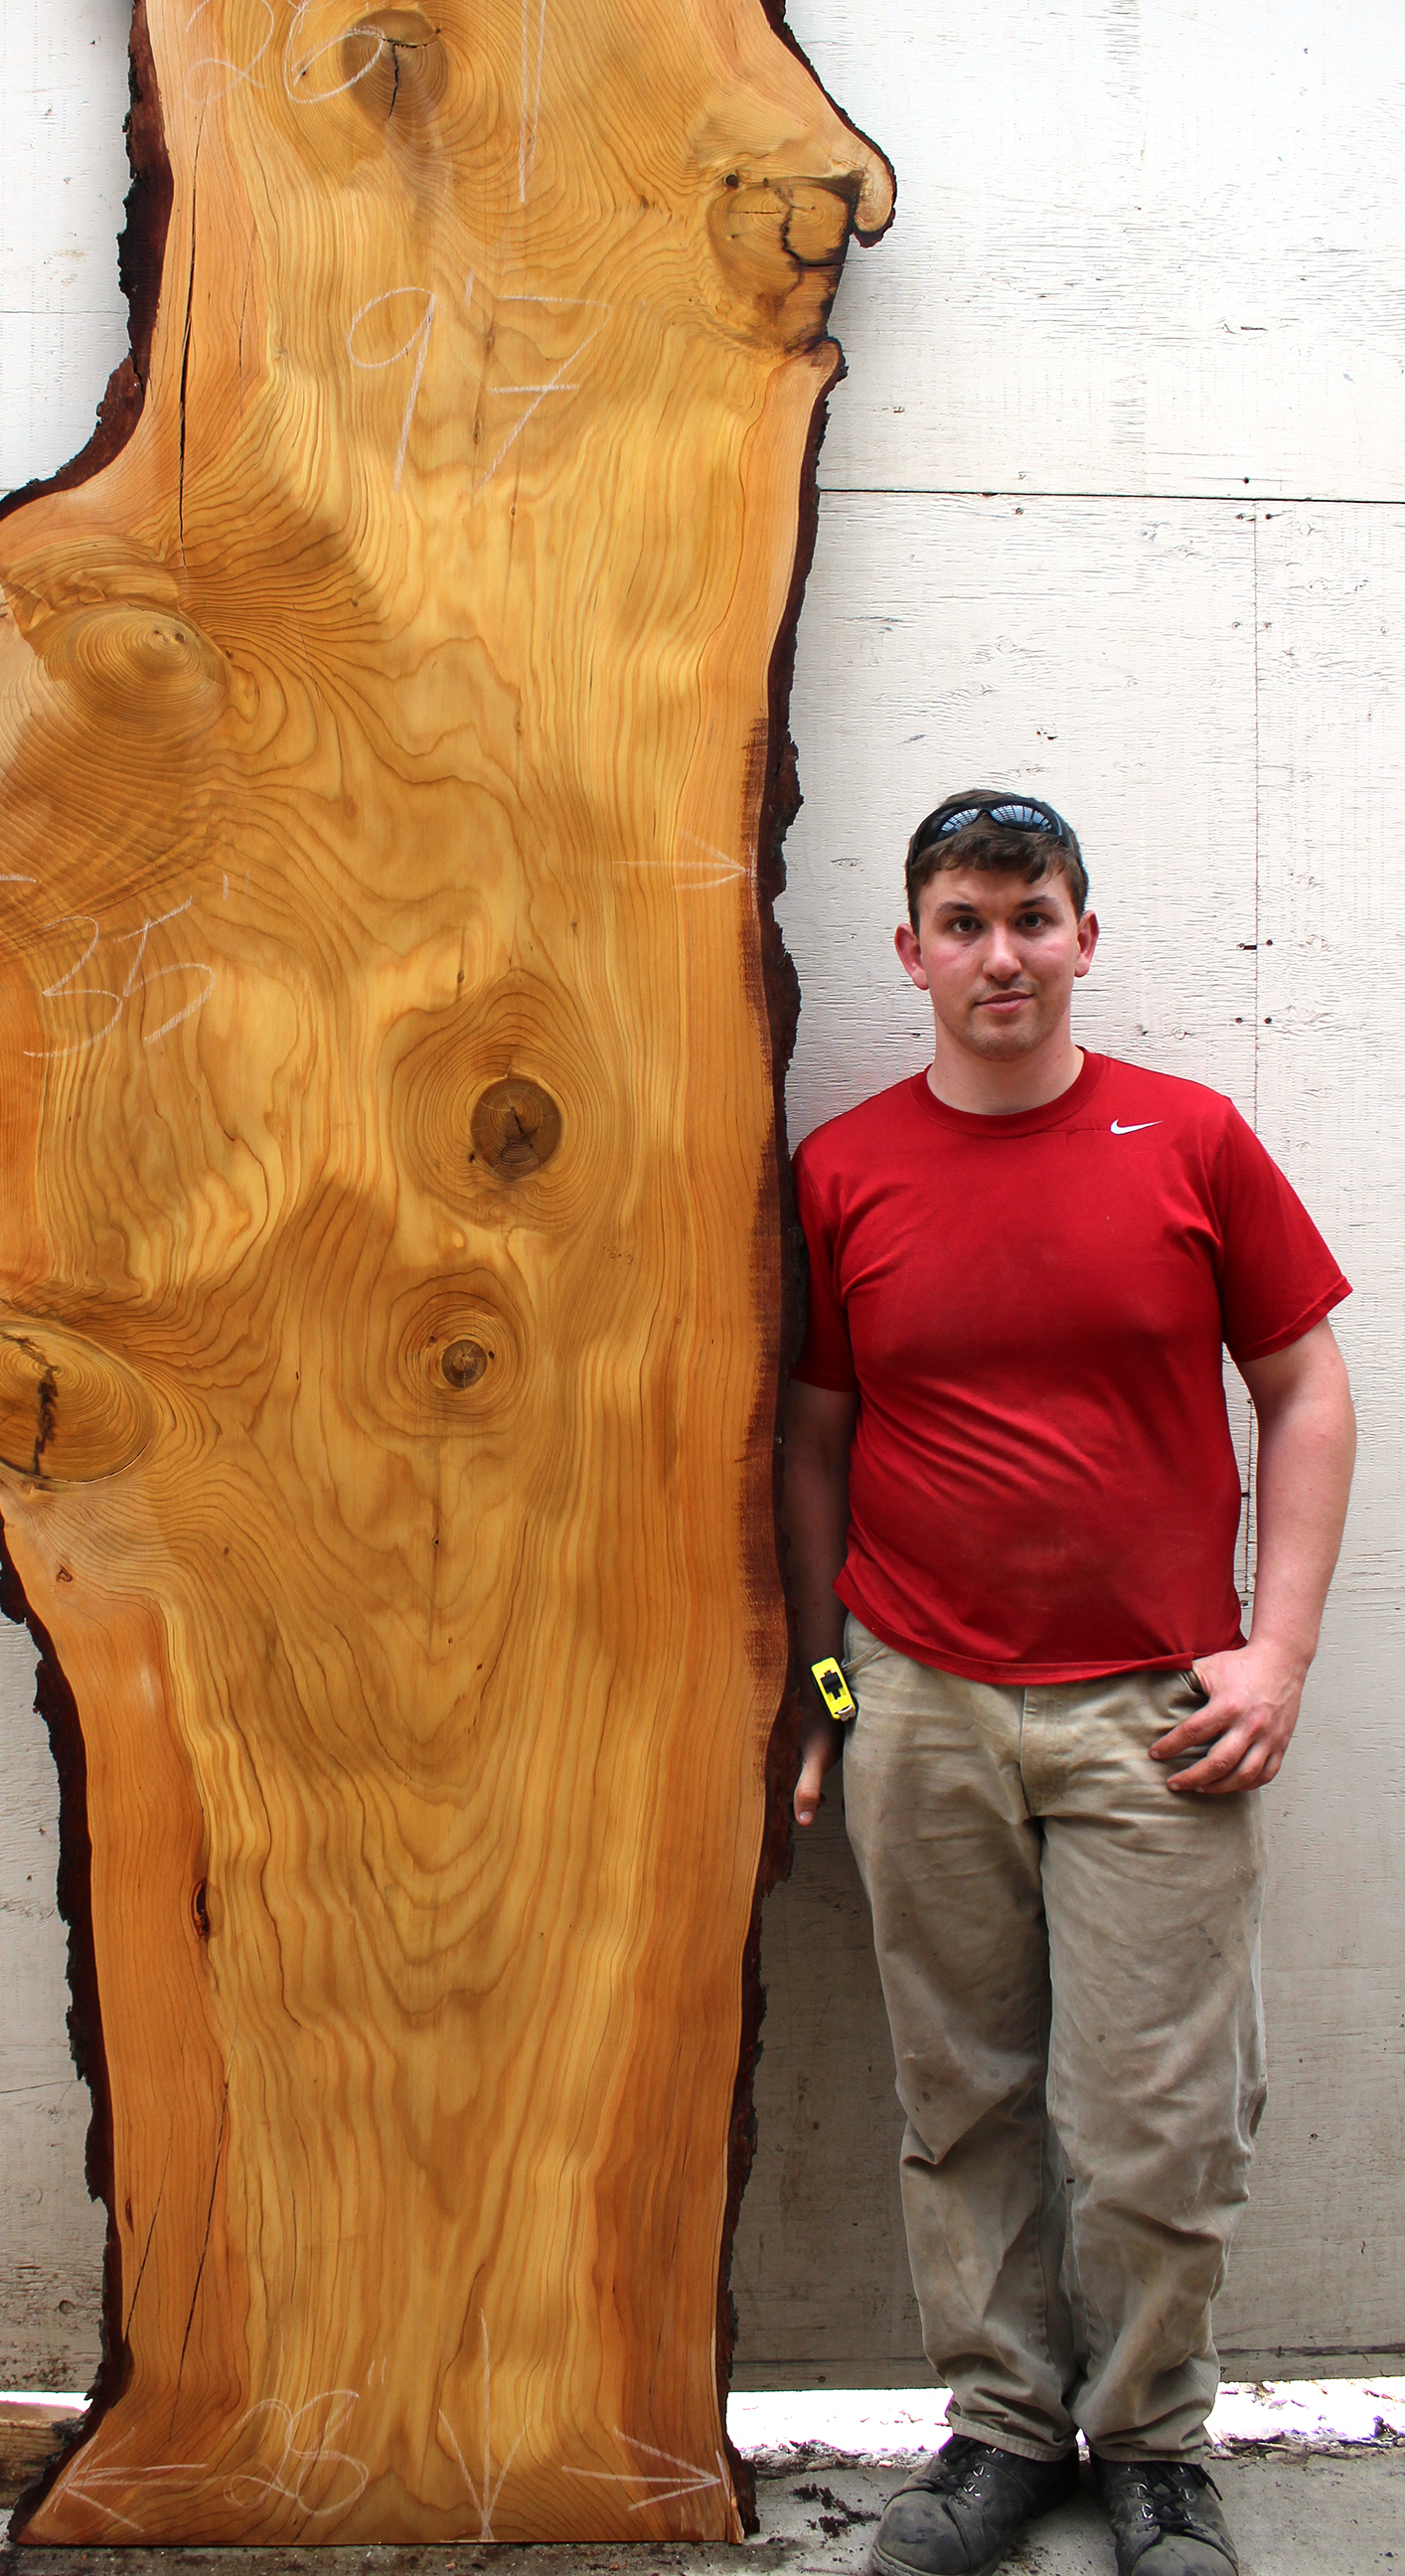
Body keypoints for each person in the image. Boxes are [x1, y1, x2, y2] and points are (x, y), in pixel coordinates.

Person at [784, 791, 1356, 2576]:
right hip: (917, 1698)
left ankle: (1159, 2449)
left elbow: (1307, 1389)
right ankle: (1002, 2435)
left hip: (1156, 1717)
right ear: (911, 953)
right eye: (963, 923)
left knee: (1158, 2117)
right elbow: (812, 1442)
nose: (1001, 955)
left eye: (1032, 918)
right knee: (960, 2096)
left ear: (1084, 938)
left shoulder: (1188, 1140)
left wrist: (1278, 1650)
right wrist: (828, 1691)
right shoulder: (845, 1170)